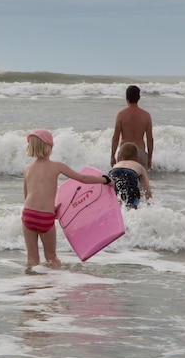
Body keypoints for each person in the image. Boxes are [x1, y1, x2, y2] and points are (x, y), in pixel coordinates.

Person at [22, 129, 114, 269]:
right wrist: (105, 180)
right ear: (50, 147)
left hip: (28, 215)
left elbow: (27, 195)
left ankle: (31, 288)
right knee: (51, 257)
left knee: (32, 259)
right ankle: (57, 285)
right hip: (46, 217)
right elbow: (83, 178)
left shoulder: (27, 168)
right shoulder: (57, 166)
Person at [111, 85, 153, 170]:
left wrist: (112, 156)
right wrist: (149, 157)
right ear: (139, 98)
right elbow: (150, 139)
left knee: (123, 181)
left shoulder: (121, 115)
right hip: (140, 152)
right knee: (141, 181)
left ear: (126, 97)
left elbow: (116, 137)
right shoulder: (146, 115)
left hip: (124, 153)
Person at [109, 142, 153, 209]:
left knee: (114, 201)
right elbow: (147, 189)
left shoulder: (117, 165)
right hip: (131, 174)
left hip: (114, 172)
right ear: (137, 158)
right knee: (131, 206)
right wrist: (150, 203)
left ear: (119, 157)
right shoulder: (139, 166)